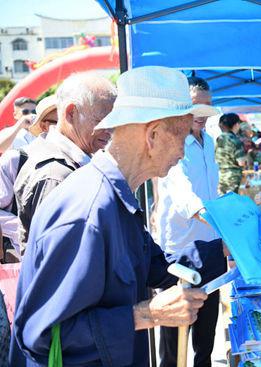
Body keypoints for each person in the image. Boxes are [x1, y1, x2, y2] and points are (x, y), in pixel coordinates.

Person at [10, 66, 225, 367]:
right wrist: (147, 314)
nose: (183, 150)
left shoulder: (119, 200)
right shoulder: (89, 211)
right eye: (183, 134)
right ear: (153, 135)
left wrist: (226, 249)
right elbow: (43, 335)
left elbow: (161, 269)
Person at [155, 76, 222, 367]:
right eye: (196, 107)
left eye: (207, 107)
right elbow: (185, 198)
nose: (202, 115)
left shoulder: (208, 143)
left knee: (205, 336)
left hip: (210, 246)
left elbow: (211, 194)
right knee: (175, 338)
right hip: (180, 252)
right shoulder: (173, 144)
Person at [14, 73, 116, 253]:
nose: (109, 130)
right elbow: (58, 260)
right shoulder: (55, 174)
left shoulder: (68, 162)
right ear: (71, 113)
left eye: (113, 122)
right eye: (102, 121)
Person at [0, 96, 58, 259]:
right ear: (44, 126)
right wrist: (26, 231)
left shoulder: (82, 160)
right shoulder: (15, 157)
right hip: (19, 258)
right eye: (58, 122)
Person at [216, 113, 247, 194]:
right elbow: (241, 162)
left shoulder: (218, 139)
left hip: (220, 175)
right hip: (232, 178)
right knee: (232, 201)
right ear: (236, 125)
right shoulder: (235, 140)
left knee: (222, 200)